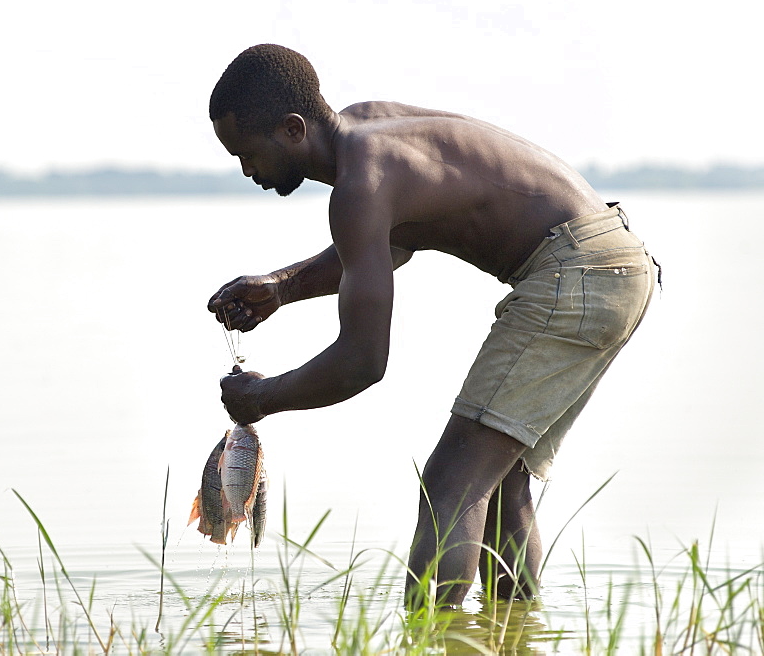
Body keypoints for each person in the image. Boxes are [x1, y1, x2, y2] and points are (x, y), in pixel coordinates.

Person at [206, 43, 657, 608]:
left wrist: (262, 399)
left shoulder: (359, 184)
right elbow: (394, 243)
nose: (246, 170)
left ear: (293, 128)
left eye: (248, 154)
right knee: (500, 478)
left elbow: (363, 361)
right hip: (610, 262)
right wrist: (283, 287)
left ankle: (426, 641)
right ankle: (510, 635)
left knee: (451, 485)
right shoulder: (370, 131)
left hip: (577, 272)